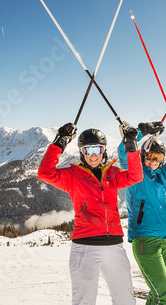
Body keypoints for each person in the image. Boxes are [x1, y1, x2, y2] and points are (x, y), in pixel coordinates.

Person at [37, 122, 143, 305]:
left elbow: (136, 176)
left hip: (115, 247)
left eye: (97, 149)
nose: (93, 155)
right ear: (81, 152)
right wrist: (60, 142)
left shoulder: (113, 173)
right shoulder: (72, 175)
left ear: (103, 151)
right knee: (84, 301)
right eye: (88, 150)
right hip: (86, 248)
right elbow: (45, 173)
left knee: (126, 300)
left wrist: (131, 145)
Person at [118, 121, 166, 305]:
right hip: (145, 240)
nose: (154, 160)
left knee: (158, 292)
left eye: (158, 157)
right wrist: (142, 132)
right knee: (164, 294)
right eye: (150, 156)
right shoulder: (135, 174)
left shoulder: (161, 176)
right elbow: (124, 152)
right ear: (142, 155)